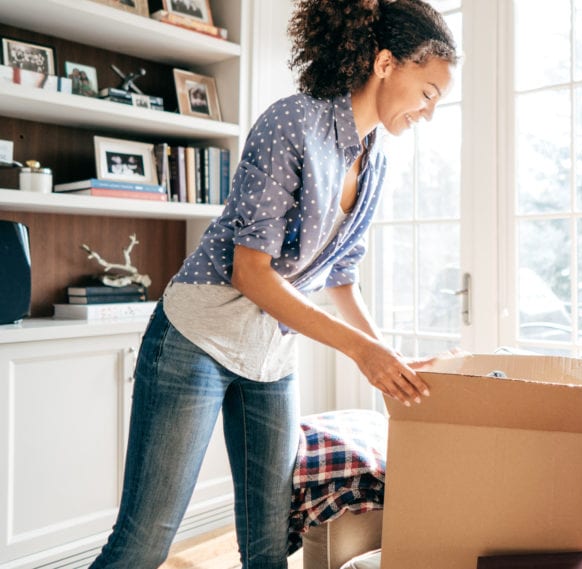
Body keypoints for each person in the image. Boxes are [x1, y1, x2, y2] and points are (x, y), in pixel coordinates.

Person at [89, 0, 456, 567]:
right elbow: (250, 274)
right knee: (145, 543)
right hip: (196, 339)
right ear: (385, 63)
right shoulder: (294, 122)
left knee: (269, 545)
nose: (429, 112)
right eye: (428, 92)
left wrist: (388, 360)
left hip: (272, 356)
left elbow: (341, 272)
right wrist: (362, 352)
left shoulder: (374, 158)